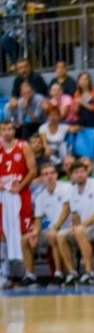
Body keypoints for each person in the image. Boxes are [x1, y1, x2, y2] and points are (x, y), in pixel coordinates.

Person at [56, 160, 94, 285]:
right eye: (76, 172)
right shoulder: (71, 191)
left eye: (82, 171)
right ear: (71, 176)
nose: (80, 174)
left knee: (80, 231)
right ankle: (72, 273)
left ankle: (89, 273)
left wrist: (82, 226)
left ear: (87, 173)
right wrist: (76, 227)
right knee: (60, 235)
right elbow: (75, 215)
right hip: (85, 228)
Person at [0, 120, 38, 288]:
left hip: (21, 195)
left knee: (25, 233)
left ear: (14, 130)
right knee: (3, 234)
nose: (7, 132)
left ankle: (29, 273)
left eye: (9, 129)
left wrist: (21, 186)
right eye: (3, 129)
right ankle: (6, 273)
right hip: (2, 196)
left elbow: (33, 171)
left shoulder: (23, 146)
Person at [20, 163, 70, 287]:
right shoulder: (40, 197)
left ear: (57, 175)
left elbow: (66, 210)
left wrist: (56, 228)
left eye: (52, 173)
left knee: (53, 235)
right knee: (26, 238)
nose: (49, 177)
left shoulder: (66, 188)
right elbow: (37, 221)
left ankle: (58, 274)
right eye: (46, 174)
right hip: (51, 230)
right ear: (41, 179)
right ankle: (30, 275)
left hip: (66, 228)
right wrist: (35, 233)